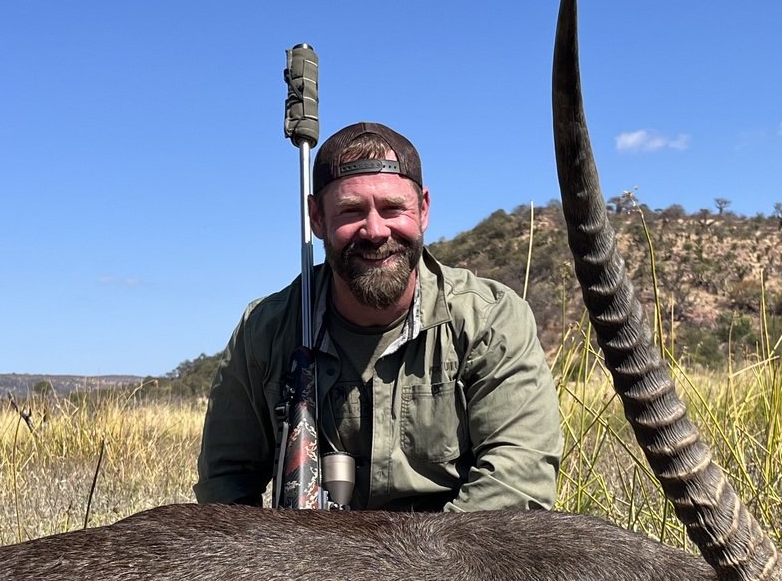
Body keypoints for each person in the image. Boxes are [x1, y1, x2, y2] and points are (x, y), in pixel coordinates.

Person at [195, 122, 561, 511]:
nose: (374, 230)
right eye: (351, 211)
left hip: (451, 561)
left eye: (392, 209)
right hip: (305, 562)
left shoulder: (490, 319)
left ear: (422, 209)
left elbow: (518, 484)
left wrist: (401, 571)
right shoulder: (263, 330)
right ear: (316, 218)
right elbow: (224, 488)